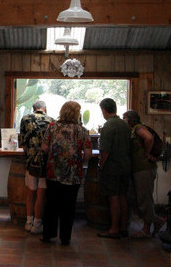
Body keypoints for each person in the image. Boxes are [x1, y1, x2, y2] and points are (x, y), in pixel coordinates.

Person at [40, 101, 92, 246]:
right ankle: (65, 238)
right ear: (77, 114)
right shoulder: (83, 131)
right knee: (68, 207)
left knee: (51, 205)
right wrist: (79, 161)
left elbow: (44, 147)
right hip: (73, 174)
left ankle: (48, 235)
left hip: (53, 172)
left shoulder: (52, 127)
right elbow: (88, 153)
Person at [123, 109, 166, 239]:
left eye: (124, 117)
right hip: (138, 169)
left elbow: (149, 138)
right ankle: (156, 220)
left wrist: (147, 154)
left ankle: (146, 229)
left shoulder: (137, 128)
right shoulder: (132, 130)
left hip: (144, 169)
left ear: (130, 119)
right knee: (135, 197)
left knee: (144, 198)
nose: (123, 120)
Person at [97, 97, 131, 239]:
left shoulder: (108, 126)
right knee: (123, 196)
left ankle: (114, 229)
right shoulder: (124, 124)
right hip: (126, 165)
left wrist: (101, 164)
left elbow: (105, 150)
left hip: (112, 167)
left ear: (104, 110)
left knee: (114, 198)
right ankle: (124, 227)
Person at [19, 99, 53, 234]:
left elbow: (22, 141)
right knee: (41, 193)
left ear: (34, 108)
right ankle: (38, 224)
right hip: (45, 162)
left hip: (30, 161)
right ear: (44, 108)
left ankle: (28, 222)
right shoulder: (51, 120)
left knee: (30, 192)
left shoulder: (25, 119)